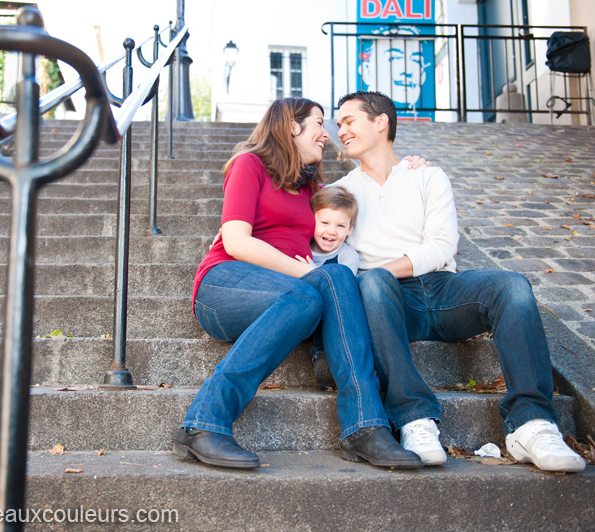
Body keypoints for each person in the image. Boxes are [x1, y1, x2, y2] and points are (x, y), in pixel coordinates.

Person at [331, 90, 586, 473]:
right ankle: (414, 418)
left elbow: (442, 245)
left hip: (445, 289)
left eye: (348, 120)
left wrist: (382, 267)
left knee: (512, 285)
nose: (341, 130)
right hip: (392, 302)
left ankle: (531, 423)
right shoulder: (341, 193)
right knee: (373, 284)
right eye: (337, 125)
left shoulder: (428, 175)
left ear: (380, 121)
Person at [172, 97, 422, 470]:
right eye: (320, 123)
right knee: (312, 291)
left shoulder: (311, 188)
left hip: (291, 295)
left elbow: (349, 212)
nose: (328, 134)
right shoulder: (249, 165)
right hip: (224, 285)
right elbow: (238, 242)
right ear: (292, 126)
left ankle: (365, 427)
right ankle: (202, 423)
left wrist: (408, 170)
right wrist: (306, 273)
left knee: (324, 284)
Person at [303, 186, 360, 389]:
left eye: (340, 226)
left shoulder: (347, 256)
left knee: (333, 302)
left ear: (350, 229)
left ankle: (325, 358)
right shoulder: (300, 246)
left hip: (330, 317)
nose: (331, 231)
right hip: (303, 310)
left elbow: (343, 291)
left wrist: (308, 269)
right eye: (324, 222)